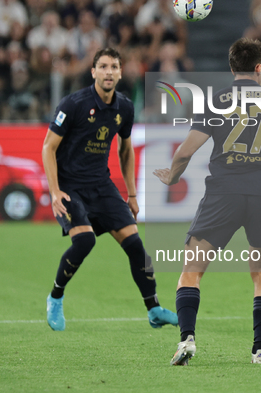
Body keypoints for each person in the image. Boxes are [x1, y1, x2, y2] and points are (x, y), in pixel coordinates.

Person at [153, 38, 261, 365]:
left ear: (231, 67)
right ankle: (260, 350)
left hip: (223, 192)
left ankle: (186, 340)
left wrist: (173, 177)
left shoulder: (215, 102)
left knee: (192, 270)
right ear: (259, 68)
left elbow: (185, 152)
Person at [42, 47, 178, 331]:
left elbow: (125, 149)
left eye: (114, 67)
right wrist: (55, 191)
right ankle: (55, 297)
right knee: (85, 241)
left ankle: (153, 309)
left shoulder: (124, 108)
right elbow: (48, 147)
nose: (108, 72)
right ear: (93, 72)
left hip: (101, 187)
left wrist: (131, 194)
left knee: (136, 247)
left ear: (119, 72)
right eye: (102, 66)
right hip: (70, 187)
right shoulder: (73, 104)